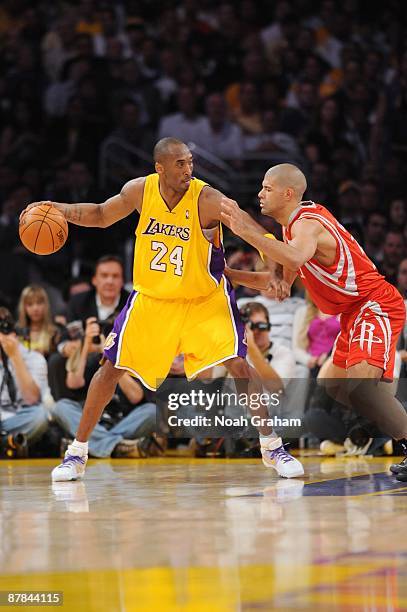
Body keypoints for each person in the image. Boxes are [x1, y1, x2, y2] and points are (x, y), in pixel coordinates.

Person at [21, 138, 304, 481]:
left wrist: (274, 265)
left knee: (239, 364)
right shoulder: (140, 191)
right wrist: (59, 209)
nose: (188, 170)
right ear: (160, 167)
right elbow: (99, 214)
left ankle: (272, 447)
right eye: (180, 164)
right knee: (110, 368)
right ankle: (76, 454)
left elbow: (248, 227)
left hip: (203, 300)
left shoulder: (207, 198)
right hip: (153, 300)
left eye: (190, 162)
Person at [220, 163, 407, 481]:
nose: (260, 194)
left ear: (287, 193)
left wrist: (246, 230)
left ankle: (391, 428)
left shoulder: (307, 223)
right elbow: (278, 284)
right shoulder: (290, 231)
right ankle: (377, 419)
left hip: (372, 304)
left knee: (360, 390)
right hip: (353, 313)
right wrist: (226, 274)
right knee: (331, 385)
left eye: (267, 188)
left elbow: (291, 259)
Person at [0, 307, 49, 450]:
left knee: (40, 416)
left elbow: (32, 399)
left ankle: (8, 442)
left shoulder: (34, 358)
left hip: (18, 420)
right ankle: (10, 443)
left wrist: (15, 356)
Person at [17, 285, 59, 358]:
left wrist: (45, 353)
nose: (35, 308)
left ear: (46, 305)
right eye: (30, 304)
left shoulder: (55, 331)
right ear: (24, 307)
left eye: (39, 303)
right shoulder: (16, 331)